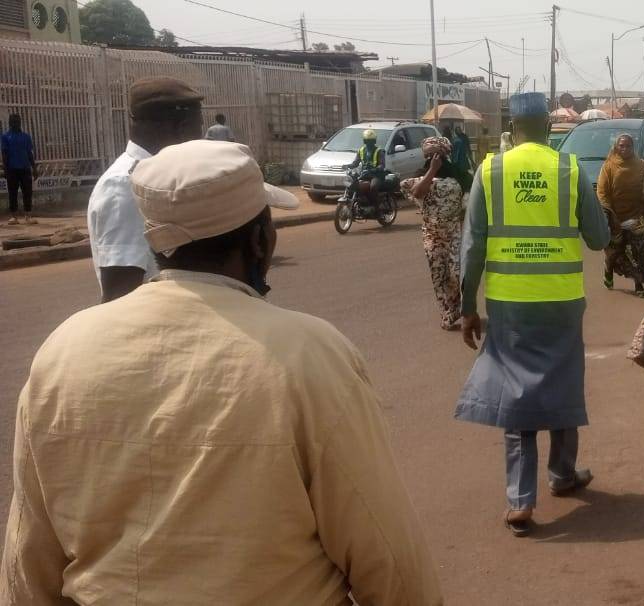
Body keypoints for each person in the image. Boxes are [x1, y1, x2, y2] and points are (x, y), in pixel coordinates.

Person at [0, 140, 443, 605]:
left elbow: (29, 560)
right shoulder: (311, 356)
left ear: (158, 241)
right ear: (259, 240)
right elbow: (390, 560)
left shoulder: (63, 352)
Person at [455, 92, 610, 537]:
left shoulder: (490, 169)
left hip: (509, 303)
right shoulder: (569, 168)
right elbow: (598, 239)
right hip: (561, 300)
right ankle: (562, 474)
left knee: (515, 396)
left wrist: (468, 308)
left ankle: (520, 501)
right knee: (561, 383)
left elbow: (472, 247)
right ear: (548, 125)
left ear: (511, 125)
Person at [88, 77, 204, 303]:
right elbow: (119, 293)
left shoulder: (159, 176)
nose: (200, 137)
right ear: (180, 129)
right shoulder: (125, 185)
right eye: (197, 127)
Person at [402, 135, 471, 331]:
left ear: (444, 154)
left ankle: (461, 308)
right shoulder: (421, 175)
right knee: (439, 275)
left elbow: (471, 197)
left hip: (454, 234)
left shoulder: (459, 175)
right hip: (432, 236)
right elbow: (416, 193)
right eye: (431, 155)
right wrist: (432, 171)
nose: (434, 158)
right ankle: (447, 314)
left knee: (456, 274)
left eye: (437, 154)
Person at [597, 133, 644, 295]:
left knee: (638, 252)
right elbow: (602, 193)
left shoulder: (641, 165)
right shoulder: (609, 166)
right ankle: (608, 271)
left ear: (633, 147)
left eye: (628, 146)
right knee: (614, 253)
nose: (625, 148)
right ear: (616, 147)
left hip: (636, 216)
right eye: (621, 146)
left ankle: (639, 284)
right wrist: (610, 215)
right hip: (614, 217)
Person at [2, 113, 36, 225]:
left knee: (27, 192)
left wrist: (34, 168)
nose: (16, 124)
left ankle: (28, 215)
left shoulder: (26, 137)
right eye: (14, 122)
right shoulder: (6, 137)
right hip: (12, 169)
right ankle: (14, 216)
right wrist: (6, 170)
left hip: (25, 168)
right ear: (10, 123)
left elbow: (30, 153)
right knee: (13, 192)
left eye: (18, 121)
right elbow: (4, 154)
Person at [341, 129, 387, 206]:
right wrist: (347, 166)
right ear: (364, 141)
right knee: (354, 185)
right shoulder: (361, 150)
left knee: (373, 187)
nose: (369, 143)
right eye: (367, 141)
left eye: (371, 141)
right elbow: (355, 163)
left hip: (377, 175)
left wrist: (374, 169)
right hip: (364, 175)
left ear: (374, 141)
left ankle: (376, 208)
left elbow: (382, 165)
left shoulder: (379, 151)